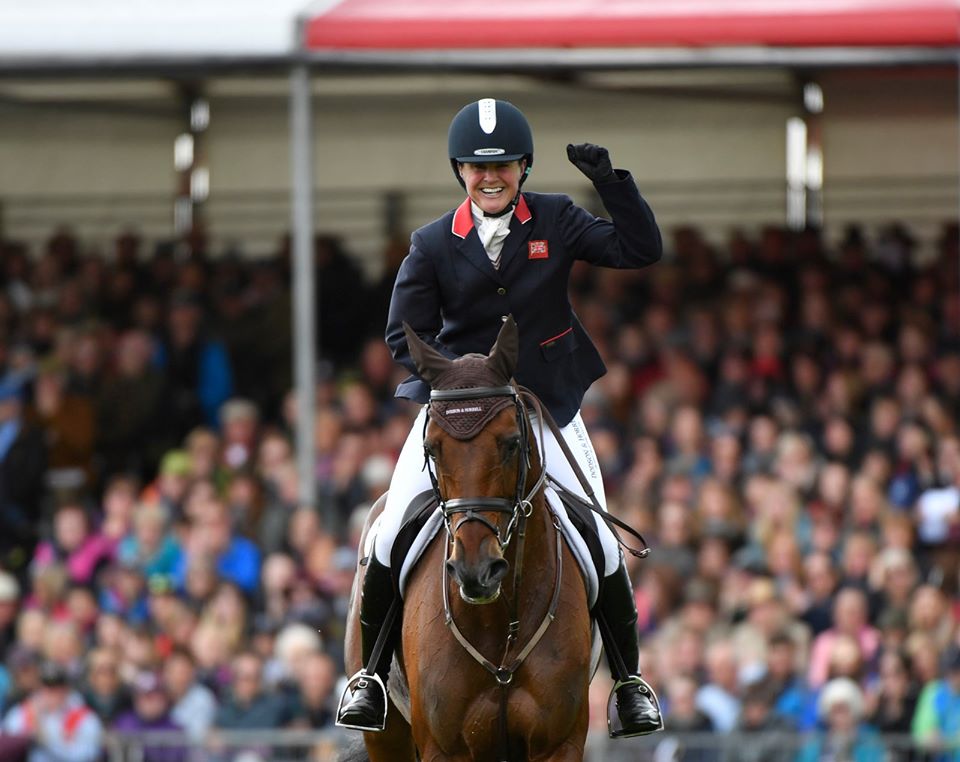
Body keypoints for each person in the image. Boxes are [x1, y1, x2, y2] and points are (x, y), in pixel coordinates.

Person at [337, 97, 663, 737]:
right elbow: (404, 333)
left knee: (600, 540)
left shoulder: (558, 218)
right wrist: (460, 377)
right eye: (479, 167)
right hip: (460, 411)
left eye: (505, 166)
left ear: (523, 167)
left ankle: (628, 683)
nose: (492, 177)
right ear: (460, 170)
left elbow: (639, 248)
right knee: (388, 530)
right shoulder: (432, 243)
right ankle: (371, 677)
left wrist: (610, 183)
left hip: (546, 406)